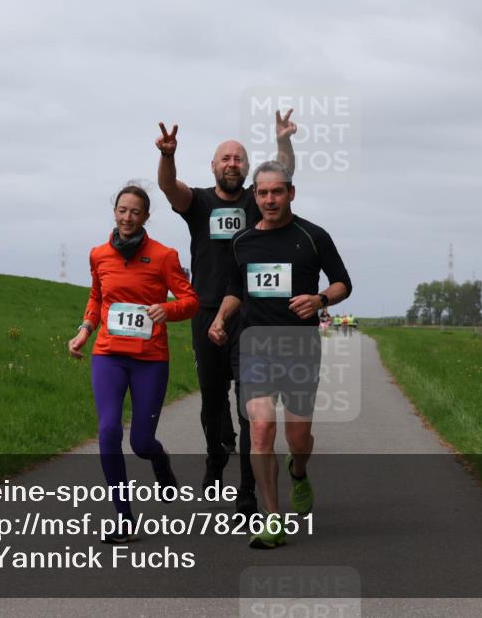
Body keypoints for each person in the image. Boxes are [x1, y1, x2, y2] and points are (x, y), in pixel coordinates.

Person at [156, 111, 297, 516]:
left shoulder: (258, 200)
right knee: (212, 399)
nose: (232, 164)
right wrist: (168, 156)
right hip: (206, 310)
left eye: (239, 159)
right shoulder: (198, 202)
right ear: (214, 166)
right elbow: (168, 187)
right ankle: (215, 457)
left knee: (248, 403)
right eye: (225, 159)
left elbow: (282, 172)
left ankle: (248, 493)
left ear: (247, 169)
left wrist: (283, 140)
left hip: (250, 316)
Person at [209, 161, 351, 549]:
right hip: (256, 346)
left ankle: (299, 472)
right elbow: (236, 289)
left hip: (300, 347)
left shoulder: (312, 236)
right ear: (255, 196)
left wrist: (320, 299)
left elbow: (343, 283)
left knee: (298, 436)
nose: (270, 199)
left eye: (277, 191)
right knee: (260, 429)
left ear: (291, 192)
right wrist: (221, 318)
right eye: (262, 193)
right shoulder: (242, 242)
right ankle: (272, 519)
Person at [68, 184, 199, 543]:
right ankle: (124, 518)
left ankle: (159, 460)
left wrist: (166, 309)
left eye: (135, 212)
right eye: (122, 210)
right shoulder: (99, 255)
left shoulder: (163, 256)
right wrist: (84, 330)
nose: (127, 217)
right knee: (108, 430)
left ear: (146, 217)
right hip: (109, 355)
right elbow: (96, 298)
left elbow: (190, 301)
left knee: (141, 442)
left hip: (150, 360)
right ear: (115, 212)